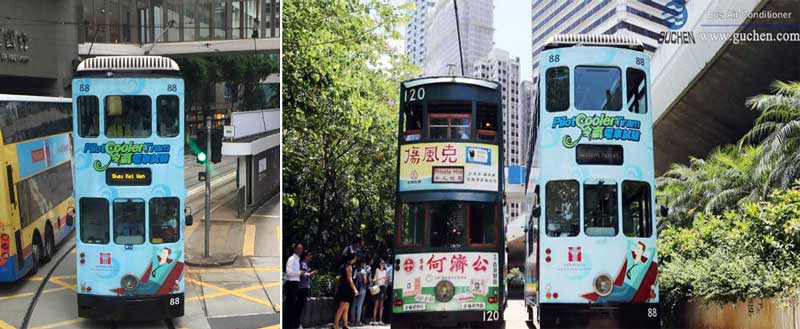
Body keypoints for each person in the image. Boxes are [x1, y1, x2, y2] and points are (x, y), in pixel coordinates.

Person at [334, 252, 358, 329]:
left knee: (346, 307)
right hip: (346, 289)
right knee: (342, 307)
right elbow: (349, 279)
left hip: (343, 288)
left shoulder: (344, 266)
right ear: (352, 258)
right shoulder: (349, 267)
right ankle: (335, 325)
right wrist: (355, 289)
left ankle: (345, 325)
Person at [284, 243, 304, 329]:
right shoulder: (291, 259)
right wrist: (299, 273)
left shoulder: (297, 259)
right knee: (289, 305)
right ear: (295, 249)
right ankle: (287, 325)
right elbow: (288, 272)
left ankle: (291, 325)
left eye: (301, 249)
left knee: (292, 305)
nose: (300, 250)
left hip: (295, 284)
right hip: (291, 284)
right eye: (298, 248)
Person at [297, 251, 316, 328]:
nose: (311, 257)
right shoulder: (303, 264)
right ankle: (297, 324)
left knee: (300, 306)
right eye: (309, 255)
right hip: (302, 287)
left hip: (303, 287)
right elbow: (303, 275)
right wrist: (312, 273)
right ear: (305, 256)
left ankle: (297, 323)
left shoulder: (304, 263)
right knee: (299, 306)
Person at [350, 258, 368, 326]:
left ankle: (352, 321)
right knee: (360, 305)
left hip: (356, 289)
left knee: (354, 305)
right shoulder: (363, 271)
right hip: (362, 289)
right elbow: (365, 280)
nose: (364, 264)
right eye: (364, 263)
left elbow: (353, 279)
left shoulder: (356, 270)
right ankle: (357, 321)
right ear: (362, 263)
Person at [371, 259, 388, 325]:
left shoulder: (385, 271)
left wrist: (386, 279)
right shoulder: (377, 270)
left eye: (383, 263)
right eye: (381, 263)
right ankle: (374, 320)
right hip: (378, 287)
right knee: (376, 305)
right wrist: (381, 278)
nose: (383, 264)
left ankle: (380, 320)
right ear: (379, 264)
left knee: (381, 305)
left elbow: (386, 281)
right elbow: (374, 280)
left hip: (383, 288)